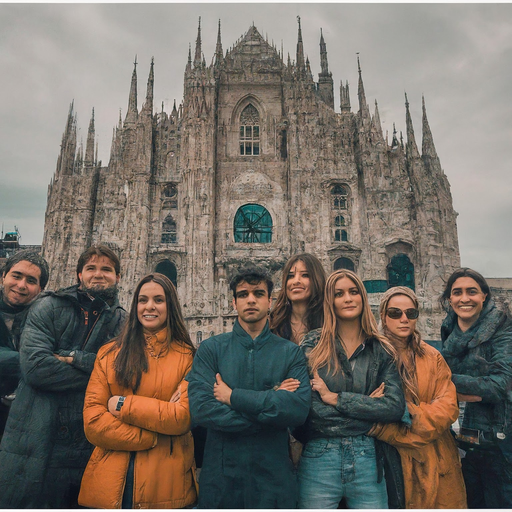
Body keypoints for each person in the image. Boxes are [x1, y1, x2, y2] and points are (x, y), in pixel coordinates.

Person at [0, 244, 126, 508]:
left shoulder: (125, 323)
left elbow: (125, 375)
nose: (98, 274)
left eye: (106, 269)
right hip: (36, 434)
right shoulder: (47, 307)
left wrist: (74, 358)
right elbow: (36, 369)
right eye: (91, 268)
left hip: (90, 440)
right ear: (78, 274)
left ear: (119, 276)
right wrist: (98, 375)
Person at [186, 266, 311, 508]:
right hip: (221, 481)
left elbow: (296, 411)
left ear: (270, 301)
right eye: (243, 294)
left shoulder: (290, 352)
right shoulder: (211, 350)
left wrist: (232, 397)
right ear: (233, 302)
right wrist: (270, 405)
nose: (251, 299)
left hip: (274, 481)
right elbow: (201, 409)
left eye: (258, 293)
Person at [78, 273, 197, 508]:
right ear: (135, 306)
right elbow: (93, 423)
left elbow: (182, 417)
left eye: (158, 300)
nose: (149, 306)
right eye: (143, 300)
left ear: (170, 305)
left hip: (168, 484)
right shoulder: (109, 354)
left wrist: (122, 404)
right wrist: (152, 436)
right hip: (108, 485)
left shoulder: (189, 356)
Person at [297, 269, 406, 509]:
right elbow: (310, 411)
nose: (347, 298)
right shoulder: (311, 345)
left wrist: (335, 398)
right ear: (330, 301)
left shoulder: (382, 349)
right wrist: (368, 408)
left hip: (368, 458)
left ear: (362, 297)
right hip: (319, 457)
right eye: (339, 293)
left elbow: (394, 407)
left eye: (353, 292)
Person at [369, 286, 466, 508]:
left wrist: (404, 416)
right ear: (383, 315)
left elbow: (448, 408)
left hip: (437, 460)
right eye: (395, 313)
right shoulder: (371, 355)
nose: (404, 319)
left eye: (410, 313)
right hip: (389, 461)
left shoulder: (433, 357)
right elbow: (370, 410)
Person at [440, 267, 512, 508]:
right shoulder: (450, 330)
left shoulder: (503, 329)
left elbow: (499, 386)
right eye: (457, 292)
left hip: (501, 440)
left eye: (472, 291)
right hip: (466, 437)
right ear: (449, 299)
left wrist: (444, 382)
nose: (464, 298)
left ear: (484, 296)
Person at [0, 250, 49, 436]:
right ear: (3, 276)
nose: (21, 285)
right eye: (16, 276)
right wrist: (32, 363)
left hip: (24, 426)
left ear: (40, 289)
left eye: (31, 280)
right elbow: (45, 365)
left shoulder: (49, 320)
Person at [270, 253, 326, 344]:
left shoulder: (330, 322)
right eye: (291, 276)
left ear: (317, 279)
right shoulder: (273, 323)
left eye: (305, 275)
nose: (296, 281)